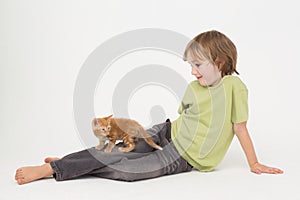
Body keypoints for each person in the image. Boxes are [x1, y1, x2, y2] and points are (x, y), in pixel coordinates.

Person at [15, 30, 283, 185]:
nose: (192, 71)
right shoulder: (194, 88)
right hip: (165, 132)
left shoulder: (235, 88)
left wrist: (254, 162)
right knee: (113, 148)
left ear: (221, 62)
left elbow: (240, 128)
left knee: (127, 171)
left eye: (198, 65)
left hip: (184, 157)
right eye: (189, 65)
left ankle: (72, 166)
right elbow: (184, 117)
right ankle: (57, 168)